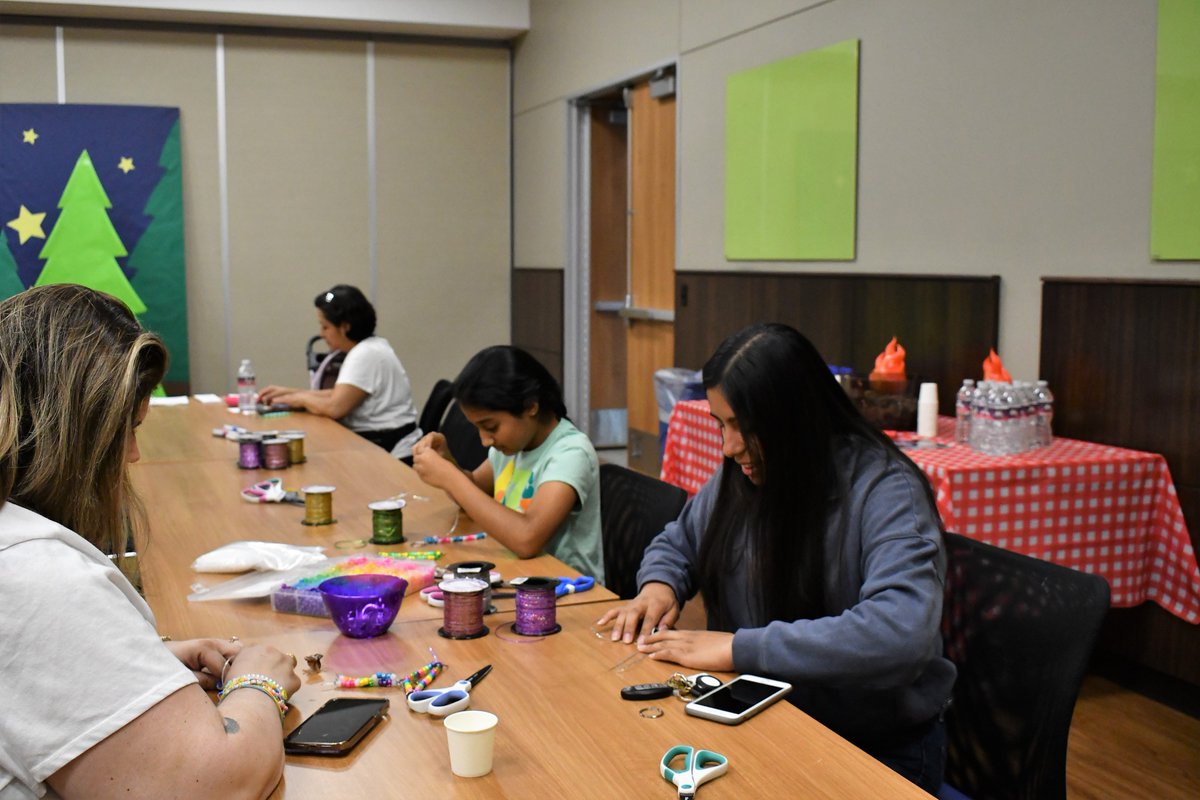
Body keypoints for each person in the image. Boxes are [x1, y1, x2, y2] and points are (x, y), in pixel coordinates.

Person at [596, 323, 954, 794]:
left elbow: (899, 633)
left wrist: (738, 648)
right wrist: (659, 585)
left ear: (798, 419)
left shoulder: (886, 490)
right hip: (764, 714)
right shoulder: (745, 475)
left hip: (871, 748)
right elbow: (678, 540)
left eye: (744, 426)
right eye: (721, 424)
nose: (729, 447)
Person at [0, 285, 301, 800]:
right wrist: (258, 683)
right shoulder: (33, 572)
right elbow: (212, 785)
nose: (133, 455)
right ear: (76, 436)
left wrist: (137, 665)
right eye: (125, 430)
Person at [411, 345, 604, 582]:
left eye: (491, 427)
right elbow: (474, 494)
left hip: (566, 591)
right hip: (519, 578)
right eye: (478, 429)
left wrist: (450, 477)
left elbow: (527, 539)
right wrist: (447, 463)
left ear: (531, 405)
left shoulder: (570, 453)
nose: (484, 440)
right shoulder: (514, 444)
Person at [259, 284, 420, 462]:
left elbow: (335, 408)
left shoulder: (365, 354)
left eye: (325, 327)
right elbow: (340, 395)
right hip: (377, 441)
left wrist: (299, 399)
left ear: (344, 327)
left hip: (388, 448)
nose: (321, 333)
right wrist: (290, 392)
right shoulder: (372, 346)